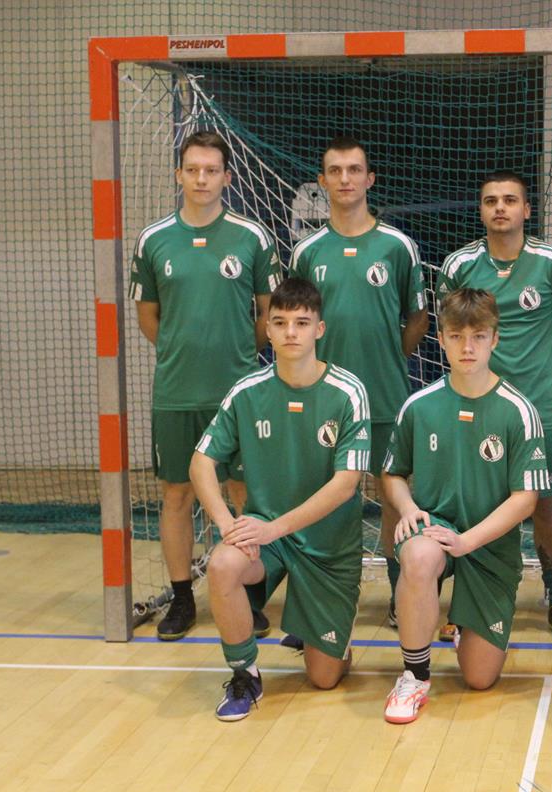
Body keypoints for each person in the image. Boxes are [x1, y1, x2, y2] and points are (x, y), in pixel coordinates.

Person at [190, 277, 370, 721]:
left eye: (302, 323)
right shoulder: (247, 391)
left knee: (324, 678)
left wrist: (273, 528)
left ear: (319, 330)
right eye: (280, 322)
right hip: (266, 539)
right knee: (223, 563)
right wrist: (228, 524)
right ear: (267, 329)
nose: (291, 332)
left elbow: (346, 484)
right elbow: (200, 463)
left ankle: (324, 636)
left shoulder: (348, 392)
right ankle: (244, 675)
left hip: (328, 546)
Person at [130, 130, 279, 641]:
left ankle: (246, 595)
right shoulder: (154, 240)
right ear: (179, 175)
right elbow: (148, 318)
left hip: (238, 394)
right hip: (176, 393)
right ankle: (181, 598)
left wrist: (235, 355)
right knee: (176, 495)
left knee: (242, 494)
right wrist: (182, 351)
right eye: (192, 169)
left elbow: (268, 315)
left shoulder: (251, 236)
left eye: (211, 170)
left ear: (227, 177)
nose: (201, 179)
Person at [380, 288, 549, 724]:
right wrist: (408, 508)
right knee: (419, 555)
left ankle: (466, 626)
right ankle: (414, 677)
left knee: (479, 677)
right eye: (456, 336)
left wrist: (467, 541)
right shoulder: (419, 405)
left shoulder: (518, 410)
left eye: (478, 336)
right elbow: (392, 473)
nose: (467, 347)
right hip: (435, 528)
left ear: (495, 338)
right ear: (440, 339)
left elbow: (526, 499)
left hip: (488, 544)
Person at [439, 170, 552, 643]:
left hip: (538, 409)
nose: (500, 208)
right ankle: (464, 604)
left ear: (527, 209)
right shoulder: (459, 265)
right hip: (475, 405)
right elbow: (449, 332)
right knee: (472, 505)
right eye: (490, 201)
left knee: (546, 505)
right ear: (481, 210)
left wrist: (541, 366)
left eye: (509, 200)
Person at [290, 136, 430, 630]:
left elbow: (418, 318)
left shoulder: (397, 246)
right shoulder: (306, 252)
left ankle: (398, 594)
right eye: (335, 170)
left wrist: (387, 358)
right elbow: (295, 324)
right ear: (322, 181)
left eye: (354, 170)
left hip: (386, 397)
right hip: (325, 403)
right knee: (328, 501)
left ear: (370, 179)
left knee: (394, 498)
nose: (345, 179)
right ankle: (329, 598)